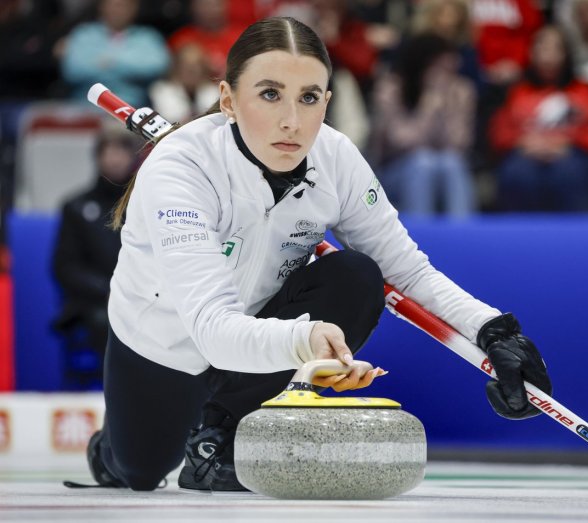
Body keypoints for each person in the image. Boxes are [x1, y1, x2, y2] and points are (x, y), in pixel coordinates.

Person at [78, 16, 552, 492]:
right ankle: (111, 451)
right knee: (138, 471)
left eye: (308, 98)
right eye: (269, 94)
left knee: (357, 276)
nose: (292, 121)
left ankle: (218, 438)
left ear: (327, 102)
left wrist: (492, 331)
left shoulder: (336, 158)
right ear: (228, 100)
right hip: (163, 344)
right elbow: (210, 328)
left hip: (258, 335)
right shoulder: (180, 168)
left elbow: (405, 271)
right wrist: (305, 341)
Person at [51, 125, 142, 388]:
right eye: (107, 150)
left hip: (143, 298)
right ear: (97, 156)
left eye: (121, 150)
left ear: (133, 156)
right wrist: (108, 290)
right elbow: (65, 267)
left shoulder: (146, 202)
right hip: (95, 302)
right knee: (107, 322)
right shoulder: (76, 206)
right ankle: (121, 392)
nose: (114, 158)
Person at [489, 25, 588, 211]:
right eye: (542, 49)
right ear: (532, 53)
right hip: (525, 155)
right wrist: (523, 142)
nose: (549, 56)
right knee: (517, 174)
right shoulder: (517, 92)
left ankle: (578, 238)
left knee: (569, 173)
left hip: (573, 156)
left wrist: (566, 143)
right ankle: (519, 237)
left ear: (566, 54)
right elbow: (500, 132)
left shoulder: (585, 90)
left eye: (556, 49)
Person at [370, 34, 477, 216]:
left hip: (444, 168)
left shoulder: (462, 90)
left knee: (453, 163)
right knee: (423, 162)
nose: (445, 74)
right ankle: (419, 241)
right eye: (439, 67)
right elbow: (401, 142)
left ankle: (463, 238)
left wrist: (446, 105)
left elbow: (459, 144)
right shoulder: (391, 89)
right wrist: (428, 107)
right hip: (394, 171)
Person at [61, 0, 170, 108]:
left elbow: (158, 67)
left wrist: (110, 62)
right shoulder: (83, 34)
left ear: (134, 8)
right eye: (113, 5)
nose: (118, 10)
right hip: (86, 109)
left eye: (124, 6)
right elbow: (72, 70)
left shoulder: (148, 37)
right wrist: (130, 66)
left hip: (134, 108)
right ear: (102, 6)